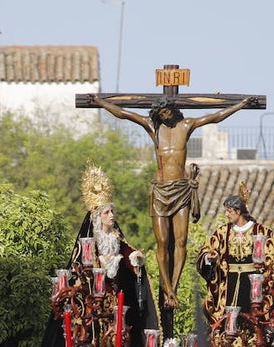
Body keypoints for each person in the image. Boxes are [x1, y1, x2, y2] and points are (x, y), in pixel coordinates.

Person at [88, 93, 259, 310]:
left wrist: (241, 105)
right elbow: (124, 114)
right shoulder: (154, 128)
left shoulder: (186, 126)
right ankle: (166, 288)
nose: (165, 116)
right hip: (160, 191)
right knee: (162, 242)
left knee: (180, 241)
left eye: (167, 112)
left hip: (181, 190)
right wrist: (99, 102)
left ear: (173, 109)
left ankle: (174, 288)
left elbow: (215, 117)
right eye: (161, 114)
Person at [76, 164, 156, 347]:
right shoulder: (90, 241)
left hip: (117, 293)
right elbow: (81, 265)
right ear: (97, 217)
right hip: (96, 294)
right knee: (98, 327)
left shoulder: (115, 237)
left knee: (119, 329)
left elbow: (127, 252)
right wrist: (103, 262)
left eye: (112, 212)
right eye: (106, 213)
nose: (112, 216)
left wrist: (133, 258)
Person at [196, 192, 274, 329]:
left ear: (238, 211)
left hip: (253, 283)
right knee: (229, 320)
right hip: (229, 282)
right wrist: (208, 257)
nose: (226, 215)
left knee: (254, 319)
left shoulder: (260, 231)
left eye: (229, 211)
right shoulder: (222, 232)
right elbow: (207, 249)